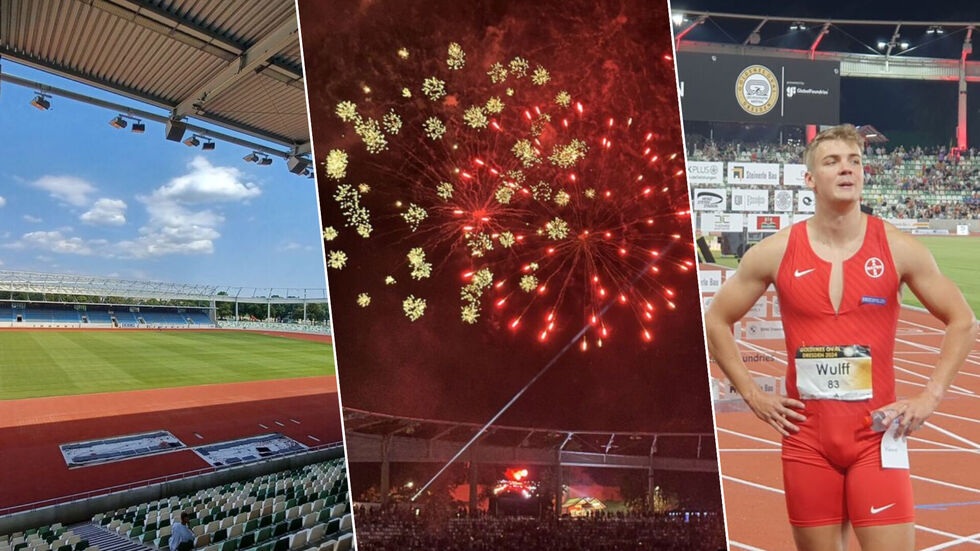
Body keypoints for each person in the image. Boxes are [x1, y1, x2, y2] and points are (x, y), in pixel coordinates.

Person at [705, 124, 977, 551]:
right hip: (806, 442)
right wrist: (753, 395)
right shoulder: (775, 252)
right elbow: (716, 319)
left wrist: (930, 396)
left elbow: (963, 320)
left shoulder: (899, 247)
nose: (847, 169)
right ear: (810, 178)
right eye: (832, 161)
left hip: (876, 436)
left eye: (855, 161)